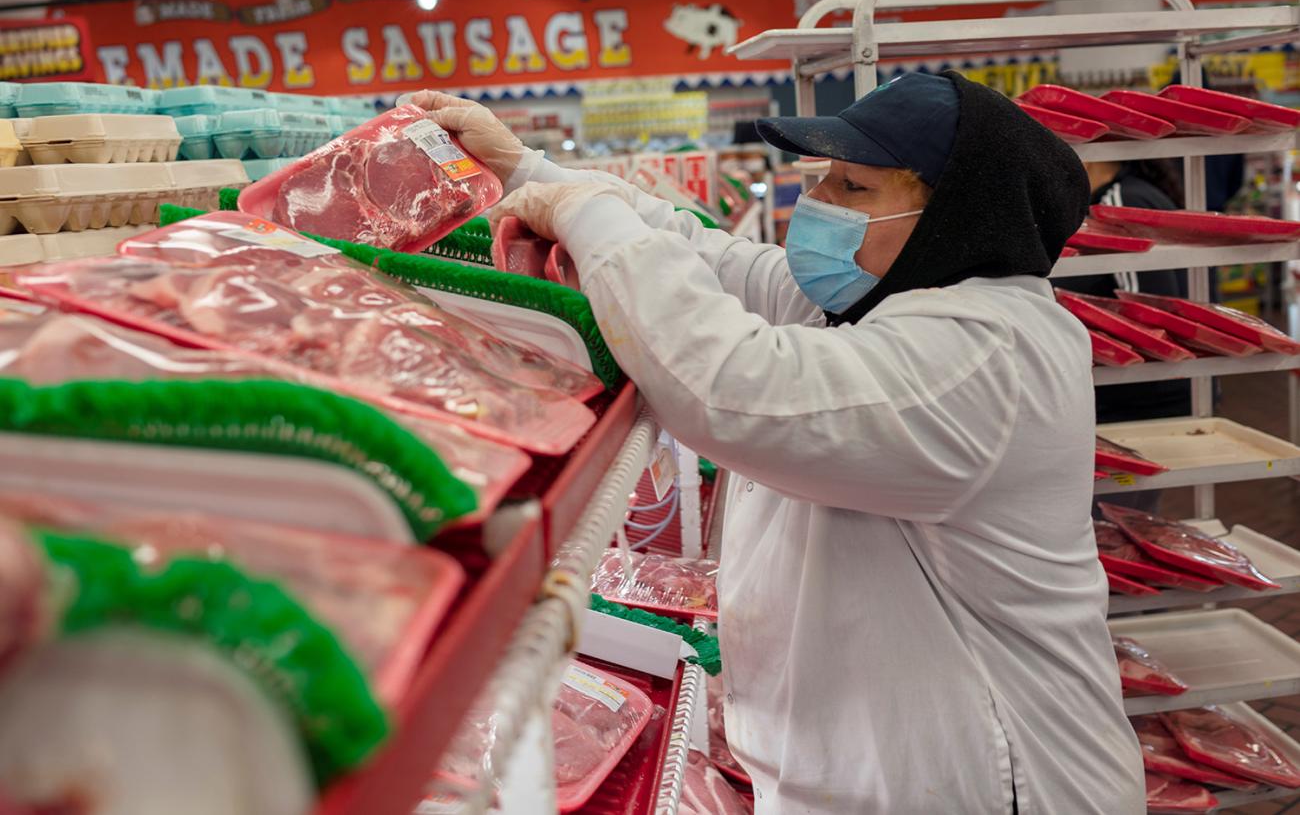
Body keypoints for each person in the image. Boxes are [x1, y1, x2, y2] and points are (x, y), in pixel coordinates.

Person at [406, 72, 1144, 814]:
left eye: (853, 187)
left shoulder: (985, 353)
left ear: (956, 219)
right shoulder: (868, 301)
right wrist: (525, 171)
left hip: (991, 789)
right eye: (821, 177)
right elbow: (709, 259)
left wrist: (589, 214)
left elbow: (729, 391)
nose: (817, 202)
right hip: (862, 776)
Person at [1054, 158, 1189, 514]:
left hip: (1137, 400)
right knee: (1125, 520)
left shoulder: (1117, 203)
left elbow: (1144, 317)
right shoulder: (1124, 196)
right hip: (1149, 396)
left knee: (1111, 521)